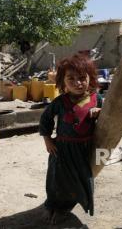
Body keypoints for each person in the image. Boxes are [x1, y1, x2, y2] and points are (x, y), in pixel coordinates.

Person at [39, 54, 103, 224]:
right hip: (61, 149)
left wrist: (99, 113)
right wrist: (47, 139)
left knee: (77, 181)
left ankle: (63, 209)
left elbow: (109, 118)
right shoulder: (60, 102)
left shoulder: (98, 100)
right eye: (71, 78)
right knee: (55, 180)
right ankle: (51, 204)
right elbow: (45, 119)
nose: (77, 83)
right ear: (62, 80)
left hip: (84, 150)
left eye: (82, 78)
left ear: (91, 78)